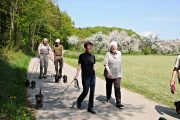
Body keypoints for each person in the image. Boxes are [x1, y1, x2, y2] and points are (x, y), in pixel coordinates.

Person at [74, 41, 96, 114]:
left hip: (92, 76)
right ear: (85, 48)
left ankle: (90, 107)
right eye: (89, 47)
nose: (90, 48)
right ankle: (79, 100)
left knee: (92, 92)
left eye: (91, 47)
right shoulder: (82, 56)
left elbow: (93, 66)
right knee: (85, 91)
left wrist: (95, 74)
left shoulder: (93, 56)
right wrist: (76, 75)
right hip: (85, 76)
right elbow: (79, 66)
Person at [103, 41, 124, 108]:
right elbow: (105, 64)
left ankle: (118, 103)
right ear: (110, 47)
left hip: (118, 74)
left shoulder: (119, 53)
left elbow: (120, 62)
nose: (114, 47)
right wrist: (109, 72)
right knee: (109, 87)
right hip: (109, 74)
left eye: (115, 46)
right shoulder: (108, 54)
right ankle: (108, 97)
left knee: (117, 88)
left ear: (117, 47)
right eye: (112, 46)